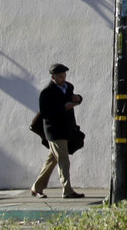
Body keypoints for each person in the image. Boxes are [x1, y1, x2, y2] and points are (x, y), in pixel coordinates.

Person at [29, 64, 85, 199]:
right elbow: (46, 113)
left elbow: (72, 98)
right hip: (54, 132)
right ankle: (67, 190)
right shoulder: (47, 92)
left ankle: (36, 188)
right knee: (64, 160)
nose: (63, 79)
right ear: (53, 77)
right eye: (60, 77)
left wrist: (78, 99)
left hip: (67, 129)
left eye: (64, 76)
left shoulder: (69, 87)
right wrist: (63, 108)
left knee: (52, 161)